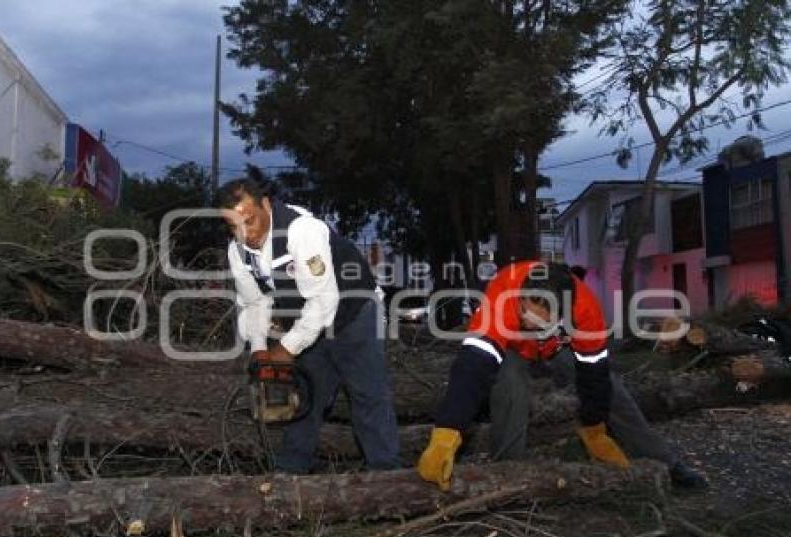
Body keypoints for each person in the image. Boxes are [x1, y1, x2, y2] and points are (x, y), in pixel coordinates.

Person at [417, 260, 706, 490]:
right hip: (514, 348)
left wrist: (594, 428)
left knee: (614, 392)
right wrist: (447, 432)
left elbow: (594, 375)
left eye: (539, 320)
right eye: (526, 313)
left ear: (564, 313)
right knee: (511, 386)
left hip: (558, 347)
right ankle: (507, 472)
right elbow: (472, 366)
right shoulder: (503, 293)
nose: (530, 322)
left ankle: (667, 462)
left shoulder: (586, 311)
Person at [218, 178, 400, 473]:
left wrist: (287, 349)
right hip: (309, 322)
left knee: (368, 396)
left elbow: (323, 300)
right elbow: (254, 303)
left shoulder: (302, 230)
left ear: (265, 204)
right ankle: (290, 472)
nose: (244, 233)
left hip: (354, 312)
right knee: (304, 398)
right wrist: (260, 349)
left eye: (249, 221)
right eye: (234, 226)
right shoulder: (237, 252)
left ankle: (387, 475)